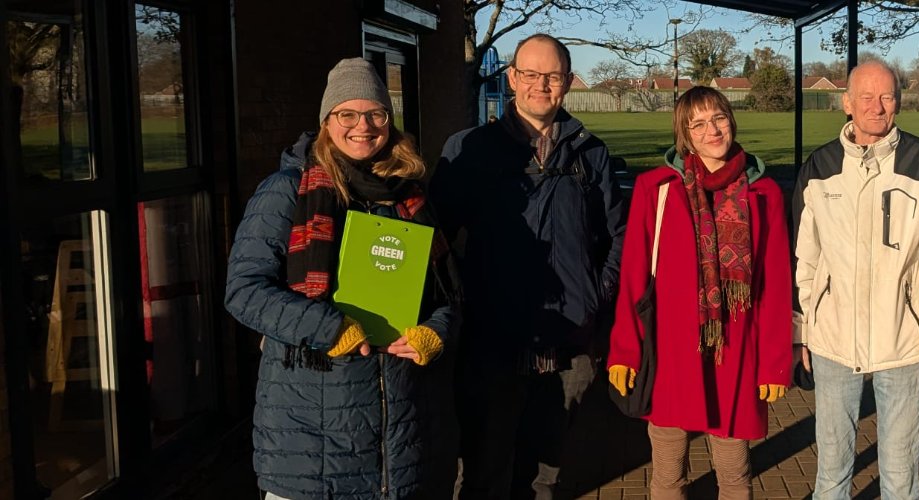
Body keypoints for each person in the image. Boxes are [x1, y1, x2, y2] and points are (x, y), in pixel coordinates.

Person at [224, 57, 461, 500]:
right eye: (347, 114)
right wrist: (330, 328)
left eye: (375, 114)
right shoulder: (287, 191)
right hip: (311, 444)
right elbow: (244, 292)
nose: (363, 126)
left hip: (401, 437)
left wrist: (435, 331)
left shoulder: (408, 195)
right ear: (326, 121)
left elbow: (445, 291)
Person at [431, 34, 625, 499]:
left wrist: (595, 297)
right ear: (513, 78)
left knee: (545, 474)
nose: (542, 85)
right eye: (532, 74)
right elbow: (433, 237)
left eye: (553, 76)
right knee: (484, 466)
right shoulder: (469, 149)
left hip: (569, 343)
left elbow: (618, 238)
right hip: (493, 341)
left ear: (568, 82)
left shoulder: (590, 154)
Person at [606, 86, 792, 500]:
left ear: (732, 120)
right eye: (698, 123)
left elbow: (775, 283)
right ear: (684, 135)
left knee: (734, 475)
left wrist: (776, 361)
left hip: (736, 352)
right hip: (672, 352)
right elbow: (634, 277)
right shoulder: (655, 188)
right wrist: (624, 349)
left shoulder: (764, 193)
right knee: (669, 475)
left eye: (719, 118)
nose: (712, 130)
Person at [791, 60, 919, 500]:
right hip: (833, 345)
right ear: (846, 103)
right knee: (832, 472)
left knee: (900, 477)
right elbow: (805, 258)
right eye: (866, 96)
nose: (877, 107)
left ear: (898, 101)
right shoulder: (820, 169)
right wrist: (801, 332)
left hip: (903, 345)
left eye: (887, 96)